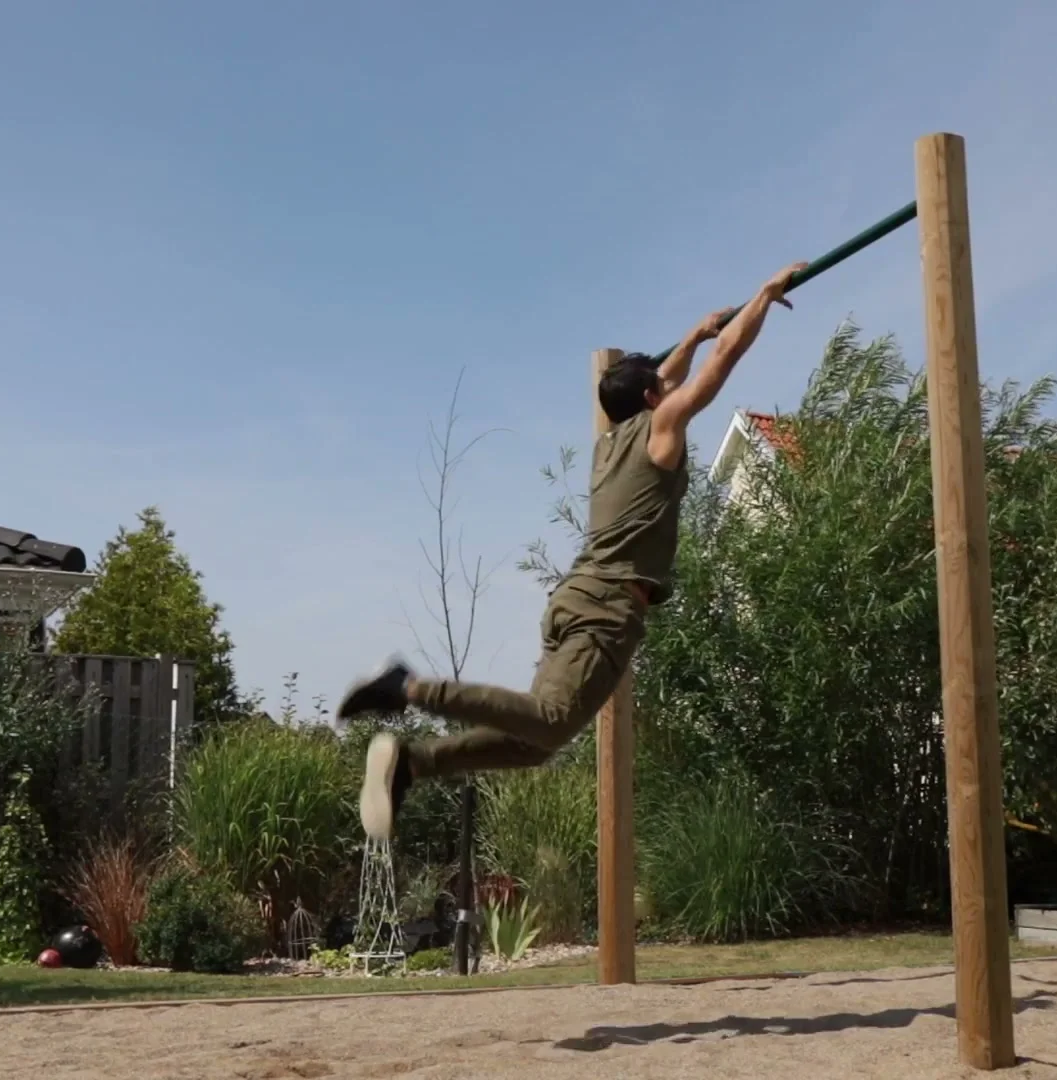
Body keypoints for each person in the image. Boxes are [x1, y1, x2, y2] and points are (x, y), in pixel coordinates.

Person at [336, 260, 809, 841]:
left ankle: (414, 764)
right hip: (606, 609)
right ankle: (407, 688)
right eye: (661, 387)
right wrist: (763, 296)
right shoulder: (661, 428)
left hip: (577, 600)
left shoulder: (609, 443)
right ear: (652, 397)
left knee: (537, 742)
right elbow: (725, 358)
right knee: (551, 720)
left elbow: (658, 377)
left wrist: (691, 335)